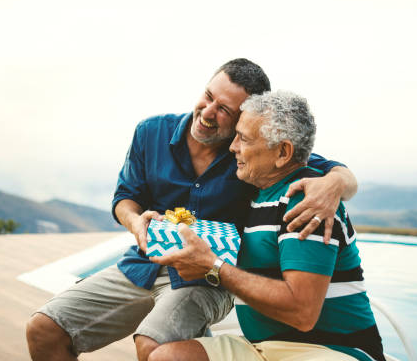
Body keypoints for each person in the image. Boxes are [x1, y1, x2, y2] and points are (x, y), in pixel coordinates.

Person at [25, 59, 359, 361]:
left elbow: (312, 164)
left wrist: (334, 185)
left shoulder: (252, 152)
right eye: (208, 95)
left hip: (209, 277)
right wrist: (135, 222)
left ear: (246, 118)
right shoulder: (150, 132)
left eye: (225, 110)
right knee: (43, 329)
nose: (208, 111)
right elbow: (125, 197)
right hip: (144, 262)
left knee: (154, 344)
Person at [148, 91, 384, 361]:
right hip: (264, 348)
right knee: (165, 357)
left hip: (332, 351)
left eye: (244, 139)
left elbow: (302, 312)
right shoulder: (254, 194)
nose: (232, 147)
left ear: (283, 153)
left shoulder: (305, 201)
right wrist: (165, 223)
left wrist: (215, 268)